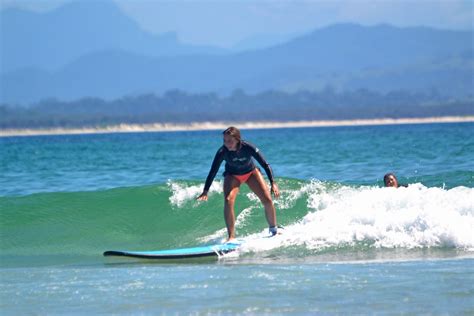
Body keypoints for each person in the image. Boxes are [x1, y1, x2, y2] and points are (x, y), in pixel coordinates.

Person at [197, 126, 280, 241]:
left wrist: (273, 183)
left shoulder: (248, 147)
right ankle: (231, 237)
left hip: (251, 173)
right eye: (225, 141)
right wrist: (205, 191)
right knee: (228, 200)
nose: (227, 144)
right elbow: (213, 171)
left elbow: (265, 164)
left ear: (237, 139)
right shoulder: (222, 152)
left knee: (267, 199)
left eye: (230, 141)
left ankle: (274, 230)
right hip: (232, 175)